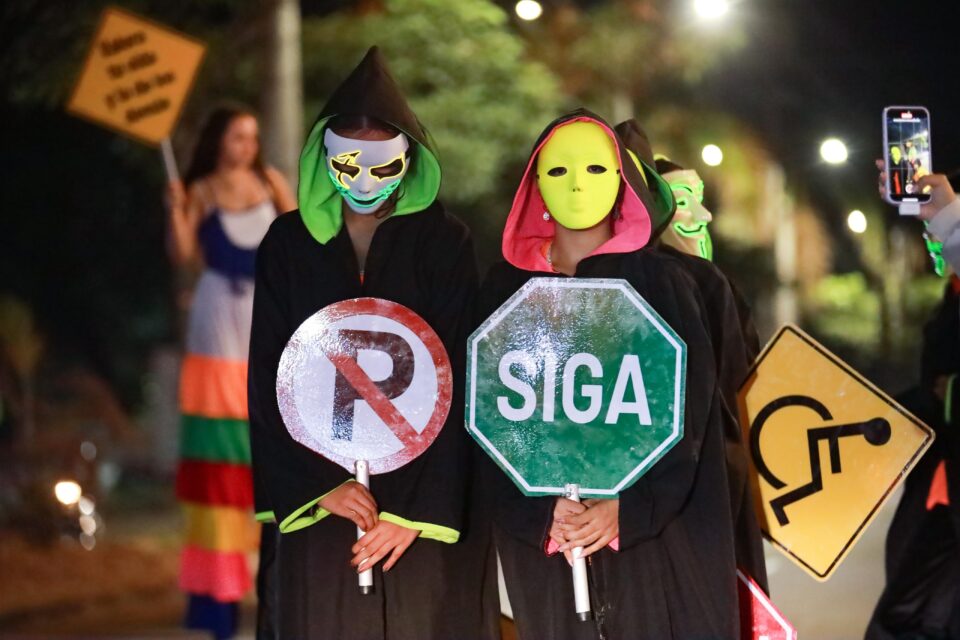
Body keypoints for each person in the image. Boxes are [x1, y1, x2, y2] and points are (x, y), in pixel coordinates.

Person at [247, 47, 500, 639]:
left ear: (409, 160)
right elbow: (268, 378)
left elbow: (463, 375)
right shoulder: (288, 245)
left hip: (420, 516)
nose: (365, 182)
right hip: (323, 510)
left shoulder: (444, 243)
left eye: (382, 167)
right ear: (324, 157)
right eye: (348, 164)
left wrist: (414, 513)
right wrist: (321, 489)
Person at [480, 109, 740, 639]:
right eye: (559, 170)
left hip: (652, 541)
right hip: (547, 545)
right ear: (535, 184)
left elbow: (689, 418)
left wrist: (630, 508)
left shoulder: (663, 283)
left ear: (622, 181)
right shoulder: (502, 289)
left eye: (596, 169)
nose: (577, 183)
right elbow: (485, 418)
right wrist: (538, 512)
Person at [614, 119, 768, 595]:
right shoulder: (690, 283)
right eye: (682, 201)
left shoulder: (712, 285)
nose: (703, 215)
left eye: (700, 198)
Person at [165, 104, 295, 640]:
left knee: (268, 427)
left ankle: (279, 582)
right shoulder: (199, 190)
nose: (247, 146)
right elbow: (183, 254)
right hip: (218, 315)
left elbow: (301, 240)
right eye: (238, 136)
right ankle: (218, 600)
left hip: (267, 312)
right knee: (222, 446)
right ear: (219, 139)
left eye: (253, 137)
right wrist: (176, 209)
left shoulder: (271, 182)